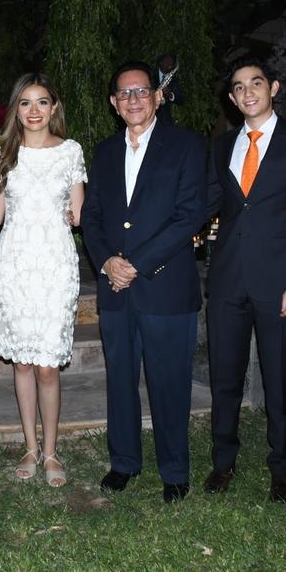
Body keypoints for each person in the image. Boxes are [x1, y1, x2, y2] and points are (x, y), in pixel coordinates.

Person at [204, 57, 286, 503]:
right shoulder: (223, 146)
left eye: (256, 83)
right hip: (227, 282)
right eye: (239, 87)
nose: (248, 92)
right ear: (232, 97)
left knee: (278, 379)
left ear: (273, 87)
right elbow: (206, 203)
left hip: (280, 284)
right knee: (224, 378)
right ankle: (223, 462)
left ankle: (282, 467)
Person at [81, 60, 206, 504]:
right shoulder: (104, 152)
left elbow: (189, 215)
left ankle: (174, 470)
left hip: (166, 288)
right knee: (120, 380)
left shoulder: (186, 146)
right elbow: (91, 216)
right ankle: (124, 462)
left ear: (156, 96)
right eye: (124, 93)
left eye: (141, 91)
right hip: (115, 290)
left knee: (169, 382)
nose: (133, 99)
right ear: (114, 104)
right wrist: (106, 261)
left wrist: (135, 263)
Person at [0, 73, 86, 487]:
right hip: (15, 266)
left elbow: (79, 214)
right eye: (25, 102)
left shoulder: (70, 151)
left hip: (56, 266)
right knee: (22, 362)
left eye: (42, 101)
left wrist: (75, 216)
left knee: (47, 367)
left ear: (54, 107)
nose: (34, 110)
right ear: (16, 109)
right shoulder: (2, 152)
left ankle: (52, 451)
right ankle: (30, 446)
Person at [154, 53, 185, 127]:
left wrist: (170, 94)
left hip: (165, 120)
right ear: (160, 62)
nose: (170, 63)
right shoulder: (150, 75)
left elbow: (181, 100)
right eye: (168, 60)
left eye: (172, 61)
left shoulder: (174, 80)